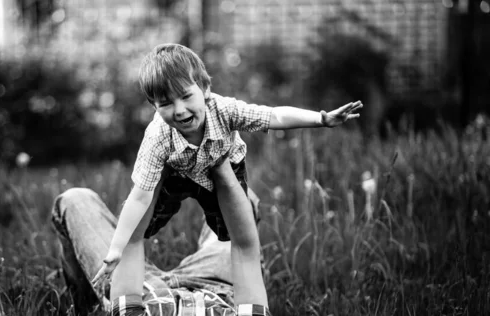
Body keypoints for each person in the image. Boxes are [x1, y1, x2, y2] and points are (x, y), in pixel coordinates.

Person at [92, 43, 362, 295]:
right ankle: (126, 277)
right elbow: (139, 196)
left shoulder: (224, 109)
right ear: (154, 105)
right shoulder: (157, 137)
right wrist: (117, 246)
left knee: (233, 232)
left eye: (186, 96)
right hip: (175, 173)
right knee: (140, 224)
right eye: (165, 103)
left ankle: (249, 278)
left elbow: (274, 115)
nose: (180, 110)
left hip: (223, 166)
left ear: (205, 89)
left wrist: (321, 118)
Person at [51, 161, 272, 316]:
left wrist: (157, 172)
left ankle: (85, 302)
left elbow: (133, 241)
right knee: (246, 200)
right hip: (214, 281)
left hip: (146, 289)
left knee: (75, 201)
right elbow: (244, 249)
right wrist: (220, 168)